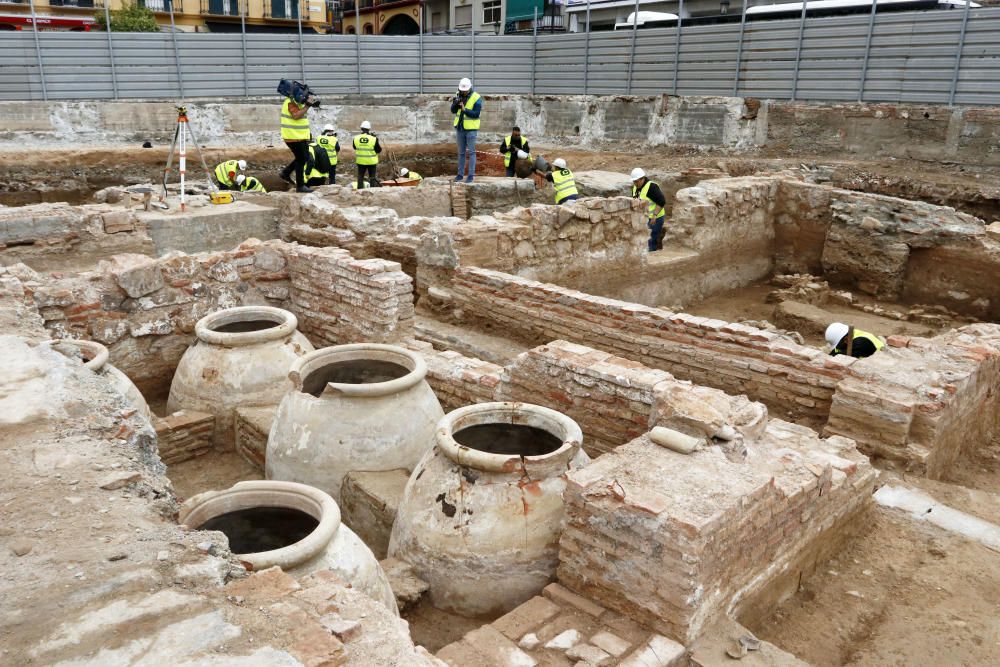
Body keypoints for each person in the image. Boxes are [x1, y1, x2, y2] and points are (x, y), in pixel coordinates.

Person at [279, 90, 315, 193]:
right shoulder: (290, 102)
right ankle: (300, 186)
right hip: (293, 136)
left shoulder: (297, 102)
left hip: (299, 136)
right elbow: (296, 115)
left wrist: (309, 104)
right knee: (301, 159)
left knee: (305, 157)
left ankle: (286, 173)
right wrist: (307, 106)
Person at [451, 77, 482, 183]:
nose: (463, 92)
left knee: (472, 152)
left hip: (471, 129)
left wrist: (465, 110)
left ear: (469, 88)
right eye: (462, 90)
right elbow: (453, 110)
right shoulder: (457, 94)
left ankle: (470, 176)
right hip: (460, 128)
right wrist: (455, 104)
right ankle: (460, 175)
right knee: (461, 153)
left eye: (465, 90)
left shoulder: (476, 97)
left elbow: (476, 114)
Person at [631, 167, 667, 252]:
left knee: (650, 240)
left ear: (642, 179)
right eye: (634, 181)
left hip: (655, 219)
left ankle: (652, 257)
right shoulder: (635, 187)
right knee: (642, 239)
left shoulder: (651, 187)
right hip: (644, 218)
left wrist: (654, 215)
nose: (635, 183)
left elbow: (661, 201)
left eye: (636, 181)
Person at [353, 120, 382, 190]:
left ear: (361, 128)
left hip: (361, 161)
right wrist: (376, 139)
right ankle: (372, 191)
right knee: (372, 177)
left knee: (360, 177)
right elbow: (379, 150)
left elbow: (354, 147)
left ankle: (359, 191)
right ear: (369, 129)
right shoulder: (373, 138)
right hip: (371, 162)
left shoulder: (356, 138)